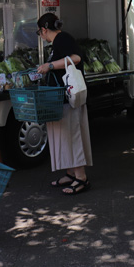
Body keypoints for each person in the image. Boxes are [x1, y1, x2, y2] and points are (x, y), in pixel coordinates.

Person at [36, 13, 93, 195]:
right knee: (65, 136)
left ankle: (81, 178)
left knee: (72, 135)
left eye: (40, 32)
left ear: (44, 30)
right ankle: (70, 173)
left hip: (70, 98)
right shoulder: (59, 40)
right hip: (63, 98)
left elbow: (75, 58)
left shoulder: (62, 38)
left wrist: (50, 66)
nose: (41, 35)